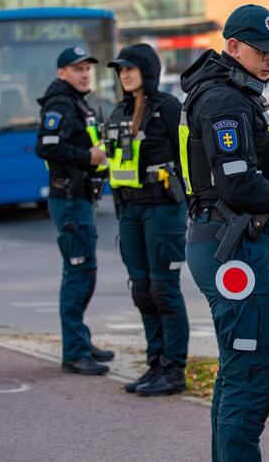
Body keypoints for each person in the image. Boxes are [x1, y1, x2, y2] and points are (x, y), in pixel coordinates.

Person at [179, 4, 269, 461]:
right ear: (233, 47)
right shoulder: (224, 98)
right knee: (250, 375)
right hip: (232, 248)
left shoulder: (237, 91)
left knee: (236, 369)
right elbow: (237, 183)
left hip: (230, 241)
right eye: (263, 51)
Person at [106, 44, 190, 396]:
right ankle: (154, 364)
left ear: (148, 71)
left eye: (131, 68)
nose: (124, 74)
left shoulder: (168, 108)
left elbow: (189, 158)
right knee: (141, 290)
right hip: (130, 211)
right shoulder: (118, 113)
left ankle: (173, 370)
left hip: (163, 209)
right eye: (120, 69)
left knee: (163, 290)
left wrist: (193, 203)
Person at [36, 46, 114, 375]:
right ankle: (74, 352)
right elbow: (47, 146)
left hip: (80, 198)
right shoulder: (60, 103)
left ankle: (80, 340)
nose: (84, 74)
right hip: (69, 199)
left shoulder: (76, 102)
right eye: (77, 69)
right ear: (62, 73)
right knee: (78, 275)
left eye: (87, 68)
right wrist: (89, 158)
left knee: (84, 273)